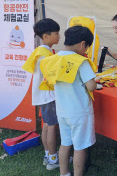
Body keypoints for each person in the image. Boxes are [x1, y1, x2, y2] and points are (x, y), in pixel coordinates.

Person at [40, 26, 97, 176]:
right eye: (87, 48)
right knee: (80, 146)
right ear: (82, 44)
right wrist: (95, 82)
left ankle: (64, 173)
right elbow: (91, 86)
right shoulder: (81, 61)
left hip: (62, 110)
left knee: (65, 143)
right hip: (79, 112)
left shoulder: (53, 59)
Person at [22, 18, 60, 170]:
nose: (59, 36)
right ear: (46, 36)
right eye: (56, 33)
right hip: (49, 96)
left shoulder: (41, 51)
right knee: (52, 127)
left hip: (43, 95)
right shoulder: (45, 54)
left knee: (46, 125)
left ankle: (48, 154)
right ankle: (53, 159)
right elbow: (50, 76)